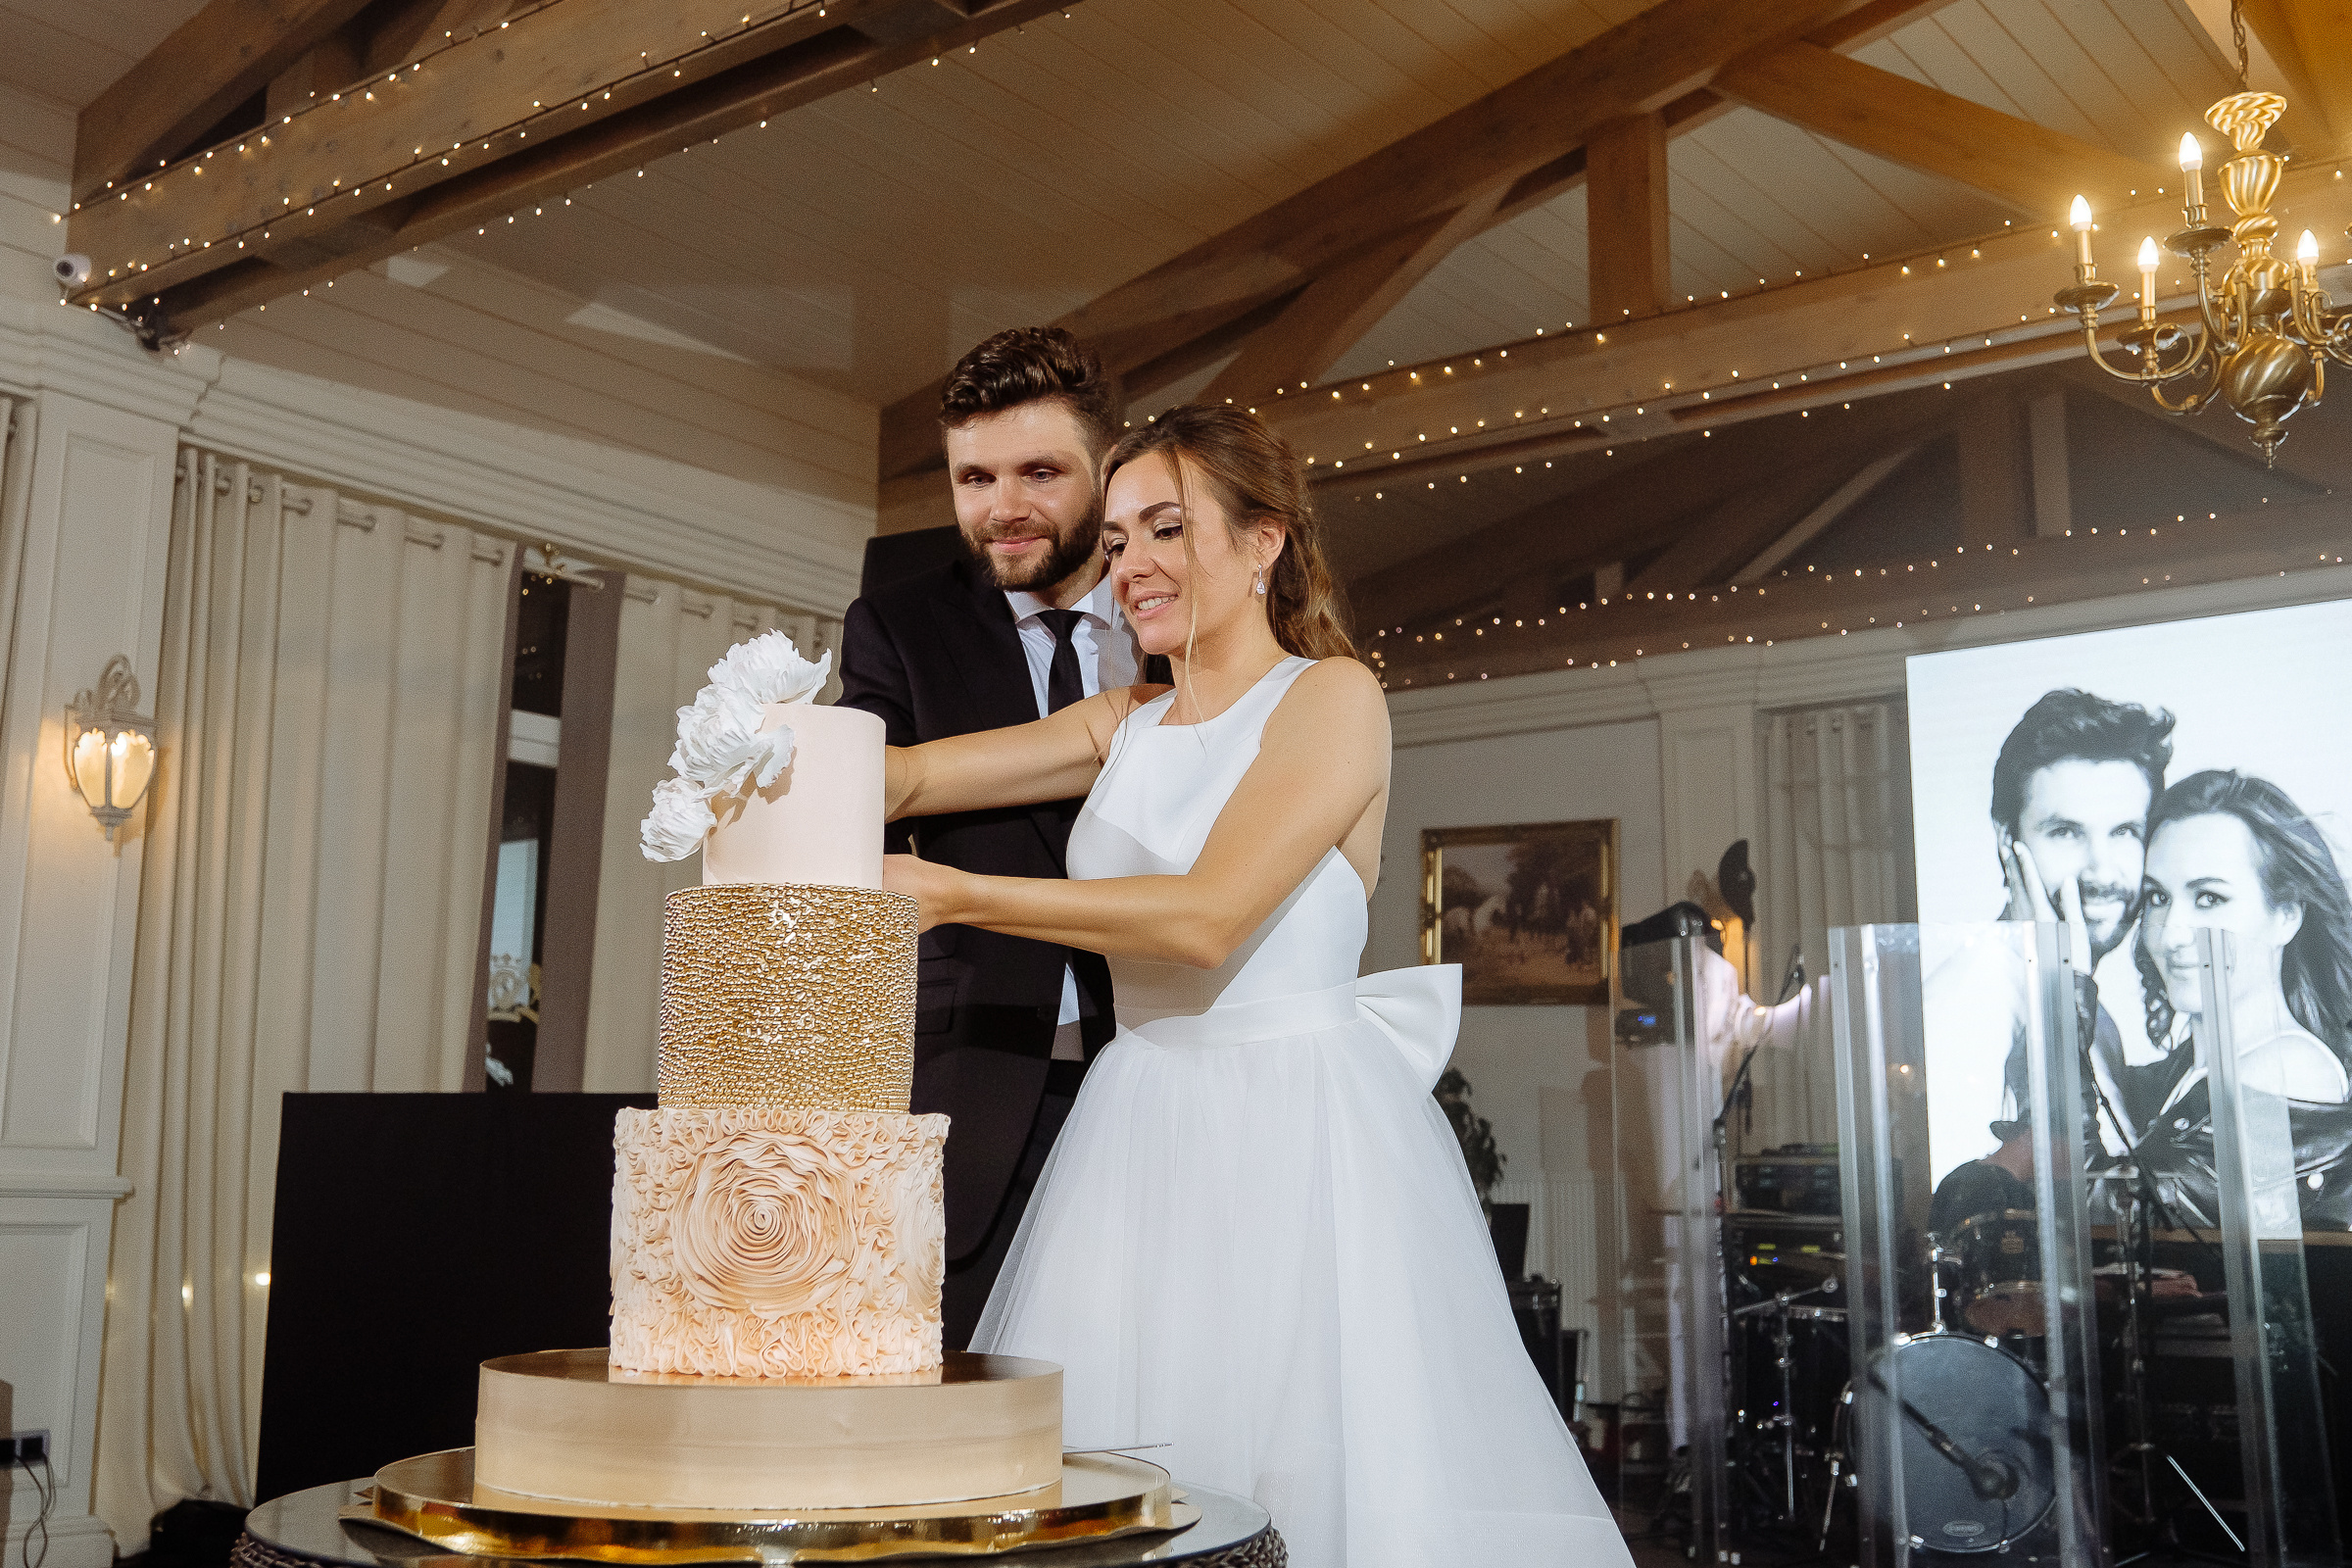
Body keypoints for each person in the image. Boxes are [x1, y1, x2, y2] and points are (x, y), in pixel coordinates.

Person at [880, 406, 1628, 1568]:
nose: (1130, 566)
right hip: (1138, 1127)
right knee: (1126, 1481)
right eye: (1119, 538)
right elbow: (912, 774)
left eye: (1167, 528)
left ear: (1264, 541)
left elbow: (1205, 918)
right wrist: (759, 750)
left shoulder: (1333, 698)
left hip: (1299, 1132)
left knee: (1308, 1475)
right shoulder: (1122, 719)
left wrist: (956, 895)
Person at [836, 326, 1166, 1349]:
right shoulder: (897, 626)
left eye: (1039, 471)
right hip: (970, 1077)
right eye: (974, 477)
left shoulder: (1178, 620)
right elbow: (865, 801)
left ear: (1106, 472)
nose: (1003, 505)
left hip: (1162, 1068)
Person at [1928, 689, 2176, 1153]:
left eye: (2124, 832)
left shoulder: (2088, 1012)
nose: (2101, 870)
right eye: (2066, 832)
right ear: (2007, 840)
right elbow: (1953, 1212)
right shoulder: (1971, 1004)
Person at [2130, 771, 2352, 1227]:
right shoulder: (2184, 1073)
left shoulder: (2287, 1069)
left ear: (2286, 915)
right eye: (2157, 896)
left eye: (2209, 898)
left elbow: (2135, 1224)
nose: (2171, 932)